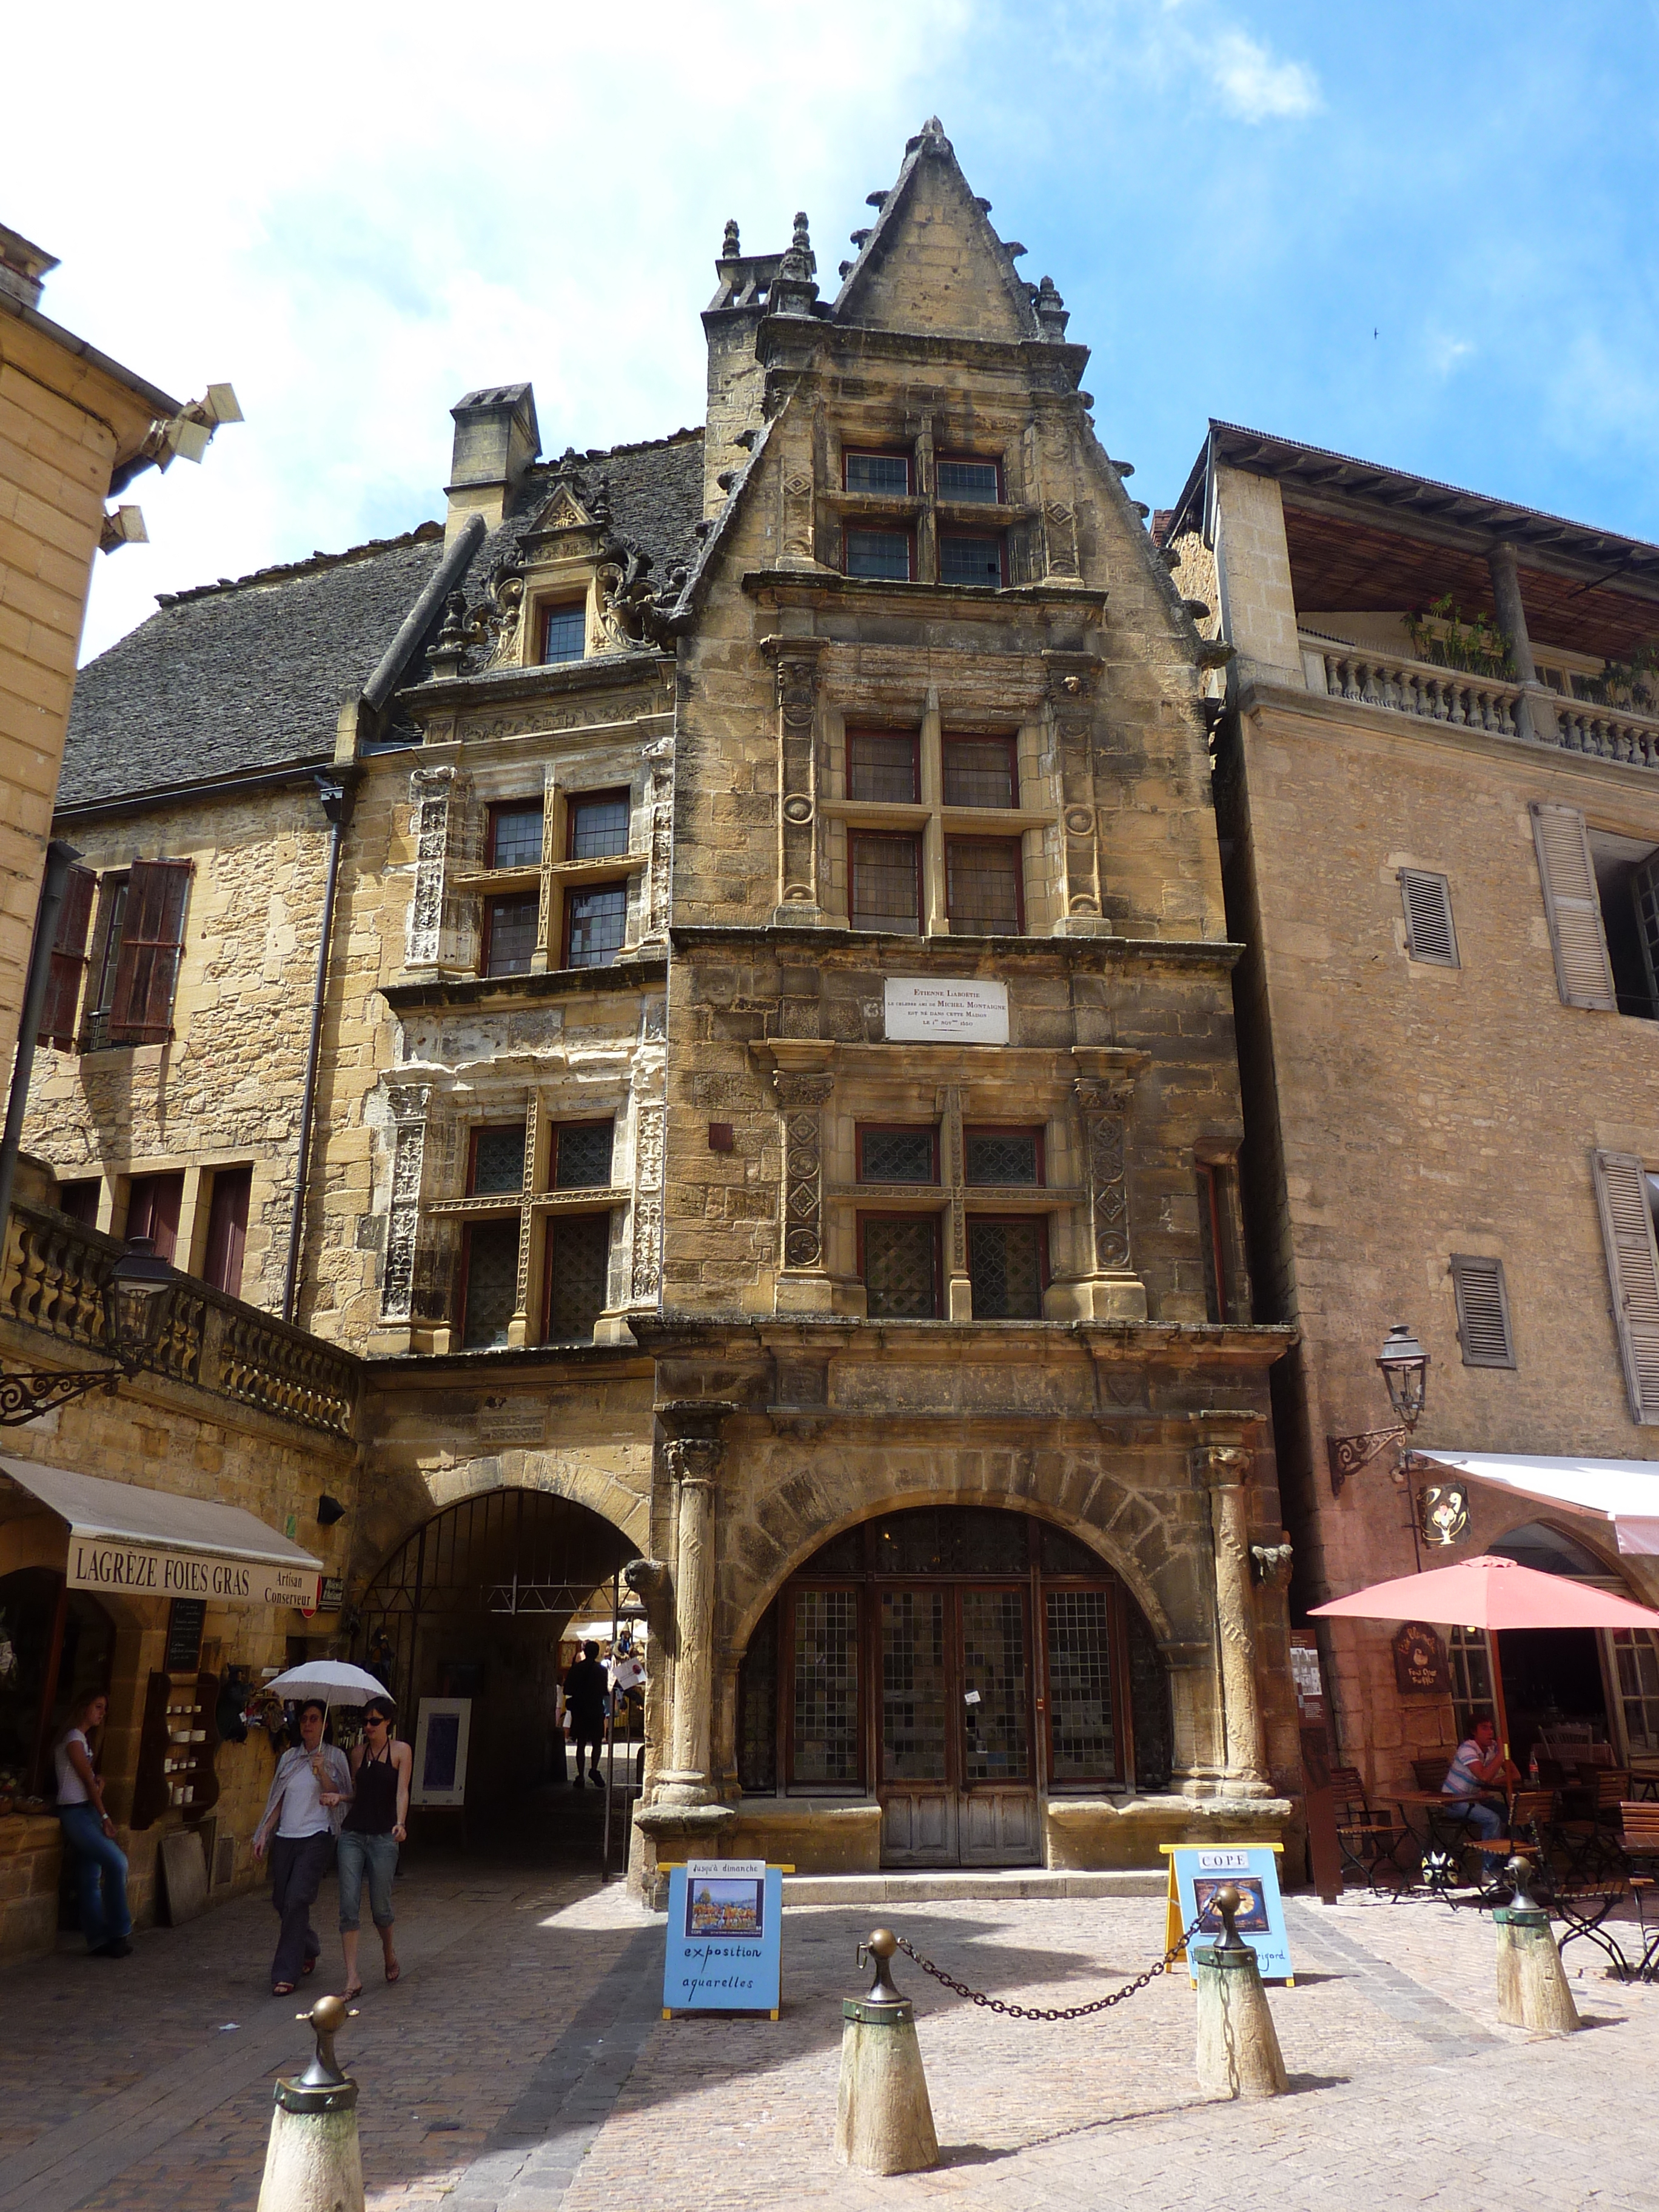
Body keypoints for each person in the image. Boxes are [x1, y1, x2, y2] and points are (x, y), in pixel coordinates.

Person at [252, 1698, 350, 1995]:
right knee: (283, 1901)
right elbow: (278, 1797)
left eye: (314, 1719)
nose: (308, 1724)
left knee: (297, 1899)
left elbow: (342, 1796)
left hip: (317, 1835)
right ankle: (308, 1945)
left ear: (325, 1724)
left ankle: (285, 1973)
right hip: (286, 1837)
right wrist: (264, 1831)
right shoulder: (289, 1758)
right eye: (305, 1719)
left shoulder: (334, 1758)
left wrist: (321, 1773)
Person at [328, 1697, 412, 1998]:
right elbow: (356, 1792)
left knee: (381, 1907)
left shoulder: (401, 1751)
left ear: (388, 1722)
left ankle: (388, 1953)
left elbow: (402, 1791)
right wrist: (340, 1798)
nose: (368, 1727)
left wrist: (400, 1823)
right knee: (348, 1905)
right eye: (366, 1721)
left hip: (383, 1835)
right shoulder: (358, 1753)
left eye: (374, 1721)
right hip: (354, 1833)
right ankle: (352, 1977)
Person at [53, 1691, 132, 1959]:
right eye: (97, 1707)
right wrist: (106, 1817)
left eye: (104, 1708)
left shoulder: (83, 1741)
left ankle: (98, 1939)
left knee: (89, 1877)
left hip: (84, 1809)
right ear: (83, 1706)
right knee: (117, 1862)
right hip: (76, 1813)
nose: (102, 1713)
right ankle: (119, 1931)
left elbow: (88, 1782)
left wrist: (98, 1785)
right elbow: (86, 1782)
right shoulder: (74, 1739)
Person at [1439, 1711, 1512, 1869]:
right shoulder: (1467, 1749)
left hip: (1474, 1799)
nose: (1490, 1733)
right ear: (1474, 1732)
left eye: (1492, 1729)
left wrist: (1497, 1770)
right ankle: (1490, 1870)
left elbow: (1515, 1775)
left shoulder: (1492, 1748)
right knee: (1492, 1819)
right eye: (1484, 1728)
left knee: (1512, 1816)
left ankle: (1507, 1862)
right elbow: (1484, 1777)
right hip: (1454, 1801)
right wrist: (1501, 1754)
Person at [563, 1640, 608, 1786]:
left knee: (581, 1743)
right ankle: (594, 1769)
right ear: (596, 1653)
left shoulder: (576, 1669)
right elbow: (604, 1691)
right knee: (597, 1743)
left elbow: (567, 1689)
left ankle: (580, 1775)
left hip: (580, 1710)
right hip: (595, 1709)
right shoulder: (602, 1670)